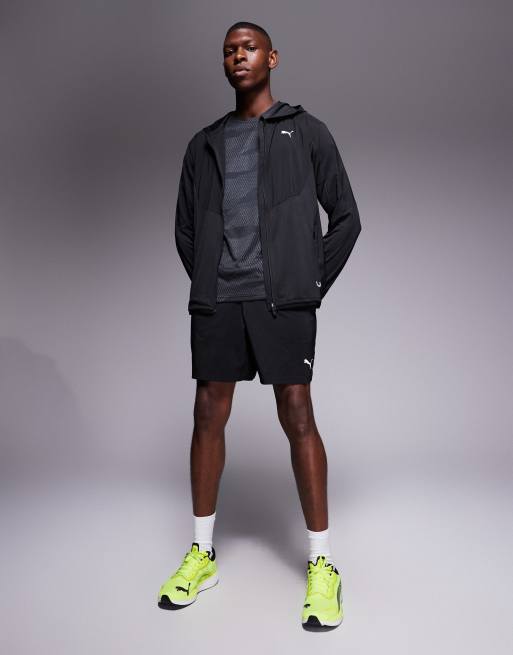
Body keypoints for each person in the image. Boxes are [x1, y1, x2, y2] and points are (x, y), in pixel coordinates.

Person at [158, 21, 361, 630]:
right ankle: (202, 554)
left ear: (272, 57)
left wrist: (307, 282)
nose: (237, 56)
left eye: (248, 48)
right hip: (220, 300)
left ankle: (322, 564)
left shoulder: (307, 131)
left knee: (297, 413)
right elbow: (185, 228)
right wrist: (210, 278)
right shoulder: (204, 143)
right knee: (207, 414)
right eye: (229, 50)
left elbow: (346, 217)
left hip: (283, 303)